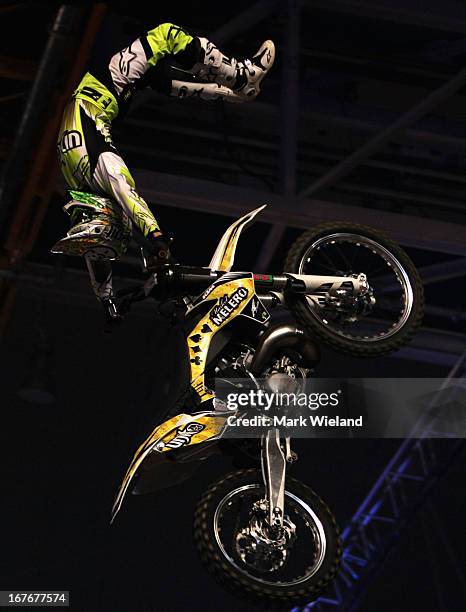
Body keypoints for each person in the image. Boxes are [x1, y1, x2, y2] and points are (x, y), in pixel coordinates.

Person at [53, 22, 275, 321]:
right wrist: (106, 298)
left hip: (105, 86)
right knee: (162, 61)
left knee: (164, 45)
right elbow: (96, 253)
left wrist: (155, 238)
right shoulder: (85, 191)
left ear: (104, 218)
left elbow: (126, 200)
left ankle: (239, 80)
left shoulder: (101, 175)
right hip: (104, 93)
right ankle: (234, 86)